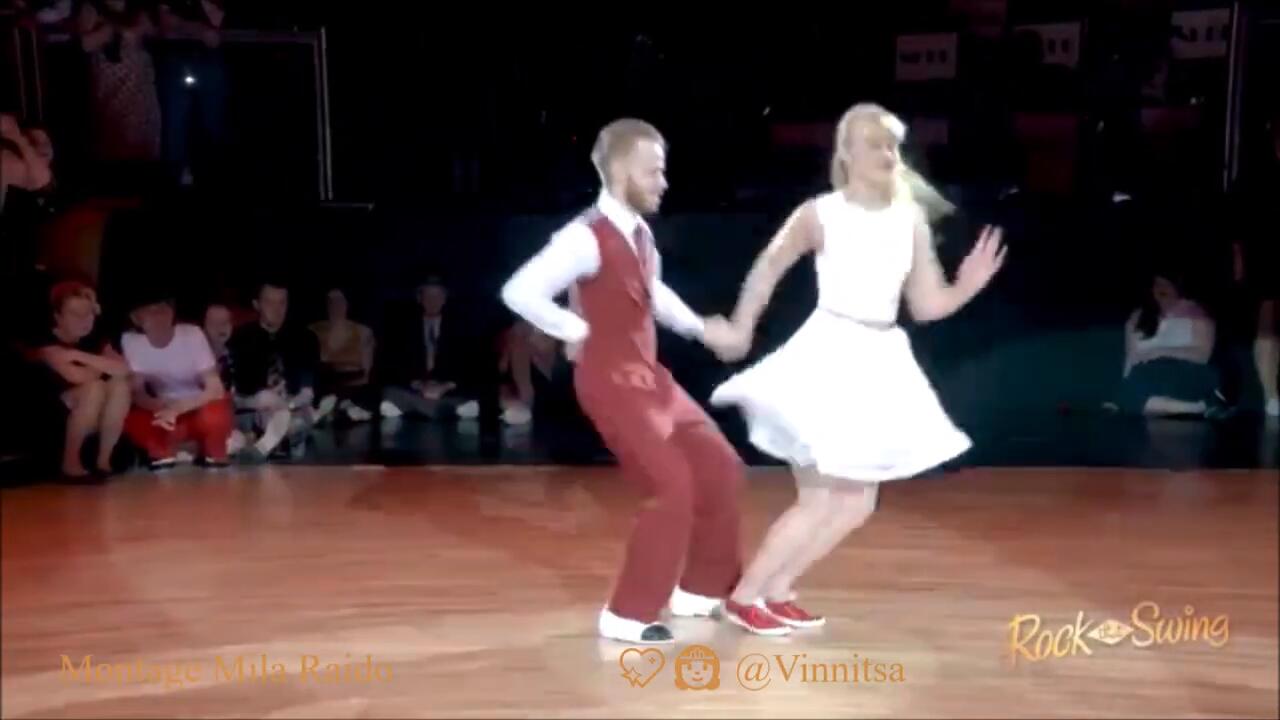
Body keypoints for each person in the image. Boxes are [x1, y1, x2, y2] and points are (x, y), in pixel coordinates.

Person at [708, 103, 1006, 633]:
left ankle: (777, 589)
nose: (887, 154)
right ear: (846, 153)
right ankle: (745, 597)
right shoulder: (820, 214)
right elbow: (768, 267)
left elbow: (927, 305)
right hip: (828, 357)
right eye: (874, 144)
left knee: (857, 503)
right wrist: (741, 326)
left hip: (880, 360)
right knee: (820, 496)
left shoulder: (909, 219)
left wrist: (967, 286)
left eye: (892, 144)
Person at [500, 118, 751, 644]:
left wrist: (703, 329)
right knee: (671, 487)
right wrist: (575, 329)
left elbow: (653, 292)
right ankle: (627, 615)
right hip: (610, 381)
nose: (664, 182)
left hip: (650, 377)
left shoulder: (640, 232)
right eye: (653, 171)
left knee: (722, 469)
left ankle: (700, 590)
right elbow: (519, 291)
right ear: (620, 170)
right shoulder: (582, 237)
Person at [121, 290, 232, 469]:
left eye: (163, 308)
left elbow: (215, 388)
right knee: (136, 421)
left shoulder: (192, 334)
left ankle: (209, 449)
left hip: (199, 404)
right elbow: (138, 393)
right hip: (164, 411)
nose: (158, 315)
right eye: (151, 310)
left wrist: (179, 408)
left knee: (214, 417)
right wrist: (160, 406)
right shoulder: (131, 341)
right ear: (136, 318)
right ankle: (172, 450)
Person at [33, 281, 132, 478]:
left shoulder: (95, 338)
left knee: (120, 386)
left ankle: (103, 461)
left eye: (88, 313)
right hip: (51, 414)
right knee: (94, 388)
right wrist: (101, 363)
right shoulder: (45, 341)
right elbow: (78, 377)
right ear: (58, 316)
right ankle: (70, 462)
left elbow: (123, 369)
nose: (84, 320)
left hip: (91, 413)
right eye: (75, 314)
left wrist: (77, 355)